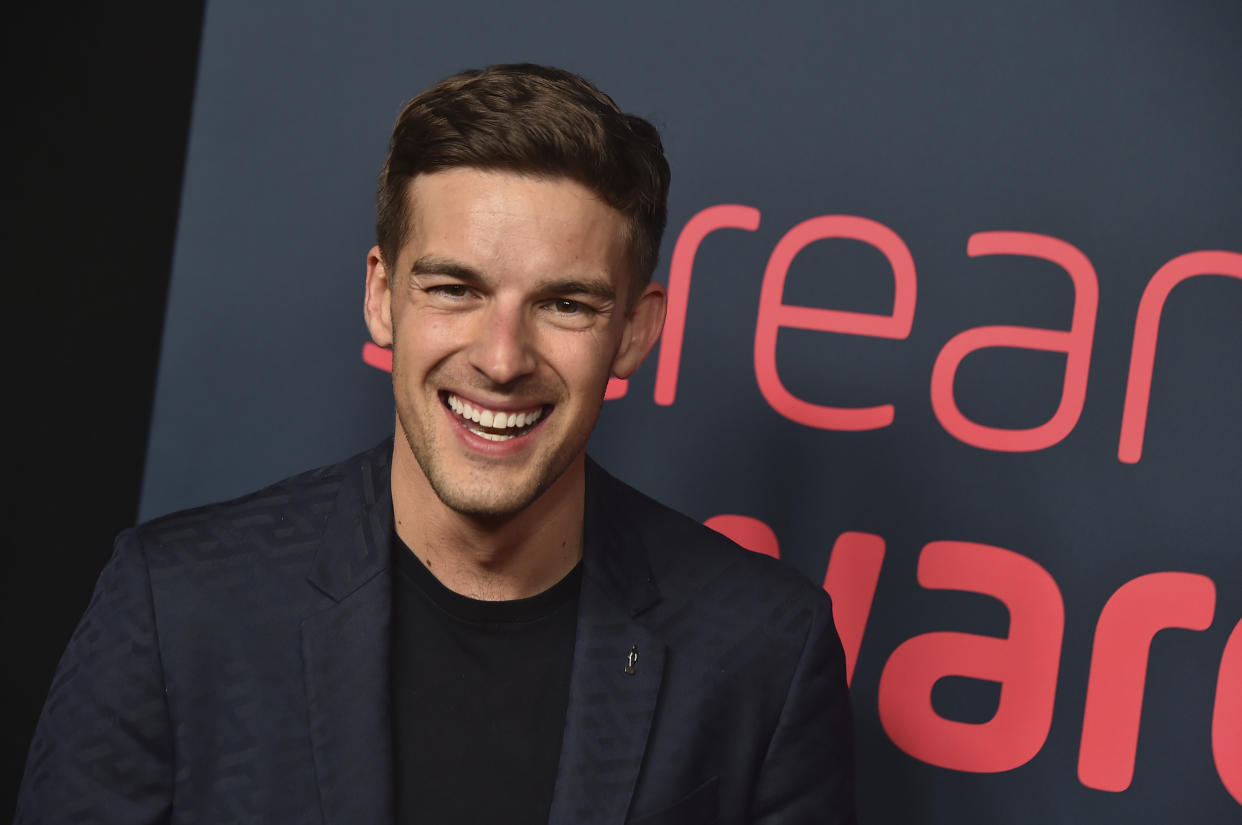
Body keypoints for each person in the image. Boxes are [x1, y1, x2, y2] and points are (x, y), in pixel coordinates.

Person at [17, 63, 856, 824]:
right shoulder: (177, 604)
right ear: (383, 298)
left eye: (566, 304)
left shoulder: (763, 651)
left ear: (635, 331)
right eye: (455, 288)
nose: (501, 358)